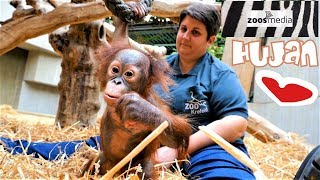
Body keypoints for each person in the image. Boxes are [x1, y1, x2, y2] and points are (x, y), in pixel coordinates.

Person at [154, 3, 256, 179]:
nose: (185, 37)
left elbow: (237, 123)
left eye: (195, 32)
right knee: (94, 149)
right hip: (156, 147)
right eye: (183, 29)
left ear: (210, 40)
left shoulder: (220, 75)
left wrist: (177, 151)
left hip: (207, 151)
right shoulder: (157, 68)